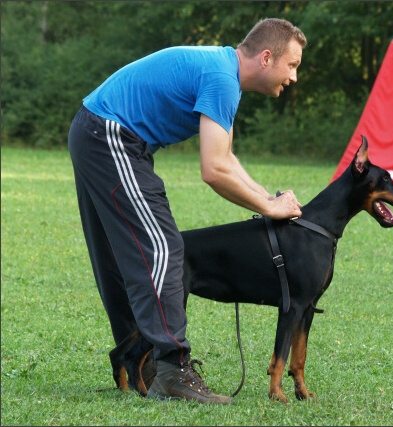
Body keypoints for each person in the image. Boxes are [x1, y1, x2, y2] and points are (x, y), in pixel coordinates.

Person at [68, 18, 307, 404]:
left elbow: (226, 156)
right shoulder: (222, 79)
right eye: (292, 65)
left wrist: (267, 197)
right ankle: (173, 369)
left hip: (96, 130)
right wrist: (268, 206)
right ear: (267, 57)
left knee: (121, 255)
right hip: (110, 135)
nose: (294, 77)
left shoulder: (222, 71)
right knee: (163, 248)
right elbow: (213, 170)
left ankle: (140, 359)